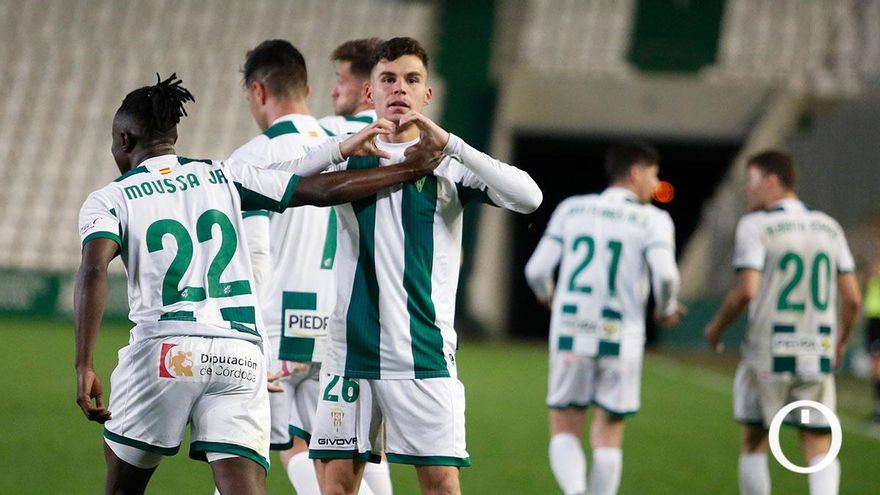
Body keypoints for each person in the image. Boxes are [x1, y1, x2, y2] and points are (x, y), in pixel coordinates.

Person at [74, 73, 442, 495]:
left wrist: (84, 364)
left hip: (165, 351)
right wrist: (409, 169)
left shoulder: (111, 197)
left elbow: (94, 268)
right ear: (173, 134)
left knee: (123, 488)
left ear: (123, 139)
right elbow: (320, 191)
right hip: (240, 355)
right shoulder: (223, 175)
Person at [307, 37, 543, 495]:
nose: (400, 88)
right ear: (370, 92)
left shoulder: (449, 166)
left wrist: (453, 144)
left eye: (412, 79)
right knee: (335, 486)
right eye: (388, 79)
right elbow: (281, 181)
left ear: (426, 94)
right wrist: (338, 149)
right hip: (348, 350)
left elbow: (530, 197)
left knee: (441, 486)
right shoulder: (350, 156)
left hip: (422, 352)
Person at [228, 39, 387, 495]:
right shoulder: (345, 147)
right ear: (309, 88)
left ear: (258, 92)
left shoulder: (255, 156)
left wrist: (246, 335)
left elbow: (255, 253)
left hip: (278, 325)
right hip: (338, 326)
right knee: (336, 456)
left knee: (239, 459)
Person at [524, 142, 684, 495]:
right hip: (621, 335)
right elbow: (667, 277)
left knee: (565, 426)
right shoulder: (654, 219)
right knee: (609, 434)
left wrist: (549, 296)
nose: (655, 184)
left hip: (570, 331)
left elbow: (536, 270)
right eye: (654, 175)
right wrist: (665, 309)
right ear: (635, 172)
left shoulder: (572, 208)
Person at [703, 150, 861, 495]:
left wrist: (715, 328)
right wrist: (841, 340)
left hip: (769, 350)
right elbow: (852, 298)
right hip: (815, 349)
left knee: (755, 439)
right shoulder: (829, 227)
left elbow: (747, 292)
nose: (746, 190)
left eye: (751, 181)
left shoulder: (755, 225)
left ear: (772, 181)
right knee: (817, 442)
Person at [318, 38, 382, 136]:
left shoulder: (327, 128)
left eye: (341, 82)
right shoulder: (405, 133)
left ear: (368, 91)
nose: (333, 92)